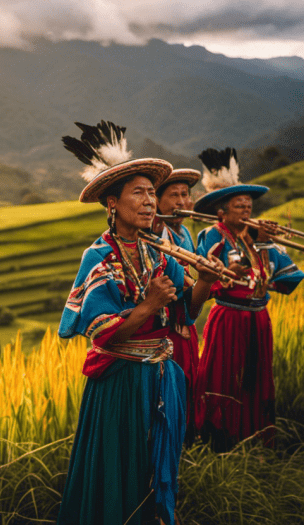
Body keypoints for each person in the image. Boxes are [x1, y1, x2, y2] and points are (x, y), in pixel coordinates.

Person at [57, 121, 221, 525]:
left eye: (152, 193)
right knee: (120, 464)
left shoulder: (161, 253)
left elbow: (185, 313)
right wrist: (147, 306)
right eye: (139, 193)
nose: (150, 202)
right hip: (121, 382)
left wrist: (203, 281)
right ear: (112, 202)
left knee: (155, 460)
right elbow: (99, 330)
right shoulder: (99, 258)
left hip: (160, 375)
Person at [192, 147, 303, 452]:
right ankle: (219, 443)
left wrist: (266, 244)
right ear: (221, 211)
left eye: (248, 205)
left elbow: (282, 279)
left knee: (255, 381)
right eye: (238, 205)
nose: (246, 211)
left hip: (257, 320)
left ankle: (254, 444)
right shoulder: (212, 236)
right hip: (229, 319)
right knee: (226, 379)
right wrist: (227, 271)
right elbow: (207, 275)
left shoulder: (255, 240)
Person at [152, 168, 201, 445]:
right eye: (173, 195)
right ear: (158, 202)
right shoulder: (159, 234)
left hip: (185, 327)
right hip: (166, 332)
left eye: (185, 195)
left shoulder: (184, 234)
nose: (181, 202)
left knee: (186, 391)